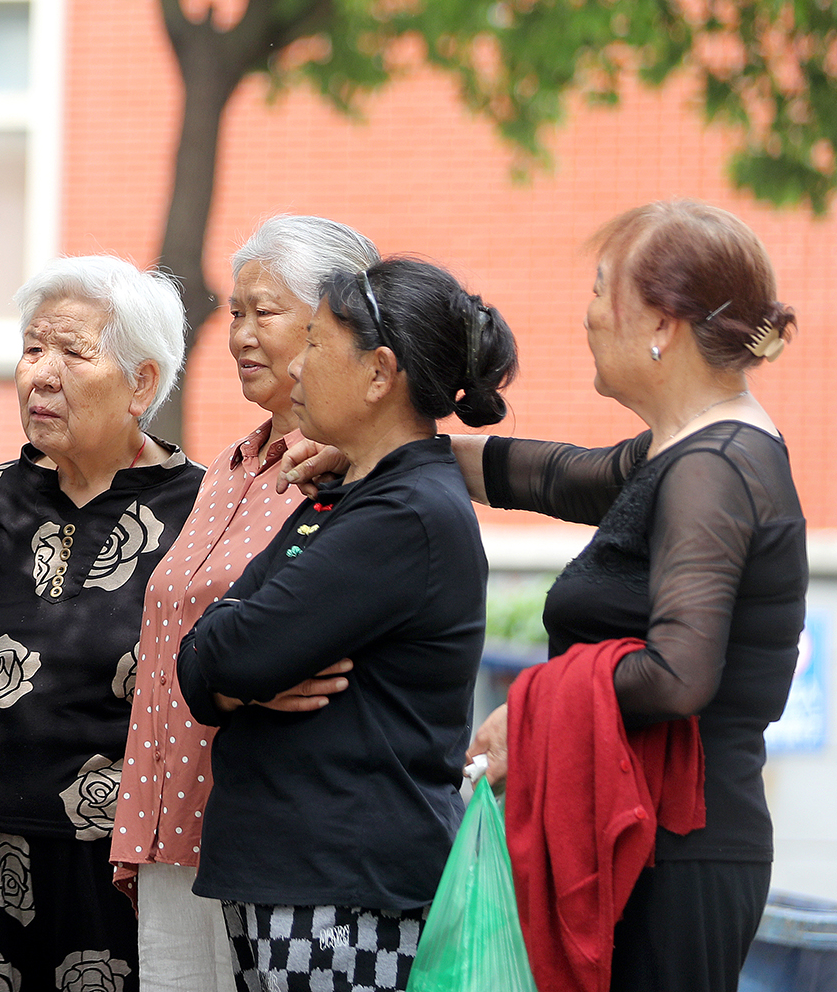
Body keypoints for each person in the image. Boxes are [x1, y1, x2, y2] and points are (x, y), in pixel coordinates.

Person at [454, 201, 805, 992]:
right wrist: (398, 449)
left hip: (677, 853)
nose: (586, 313)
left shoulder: (715, 467)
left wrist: (532, 710)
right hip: (656, 840)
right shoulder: (688, 449)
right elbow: (554, 474)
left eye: (600, 288)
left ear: (661, 325)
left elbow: (679, 674)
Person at [178, 257, 517, 992]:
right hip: (301, 880)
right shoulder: (352, 495)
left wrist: (232, 667)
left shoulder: (405, 515)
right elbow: (201, 661)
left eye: (315, 343)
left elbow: (229, 651)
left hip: (347, 893)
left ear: (378, 373)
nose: (296, 367)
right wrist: (231, 670)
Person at [0, 256, 203, 992]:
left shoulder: (201, 515)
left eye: (73, 353)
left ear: (142, 384)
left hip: (116, 871)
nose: (40, 375)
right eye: (32, 348)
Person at [108, 216, 378, 992]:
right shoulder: (231, 464)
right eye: (235, 312)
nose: (240, 335)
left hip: (269, 838)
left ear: (335, 324)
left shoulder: (356, 472)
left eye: (266, 311)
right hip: (170, 825)